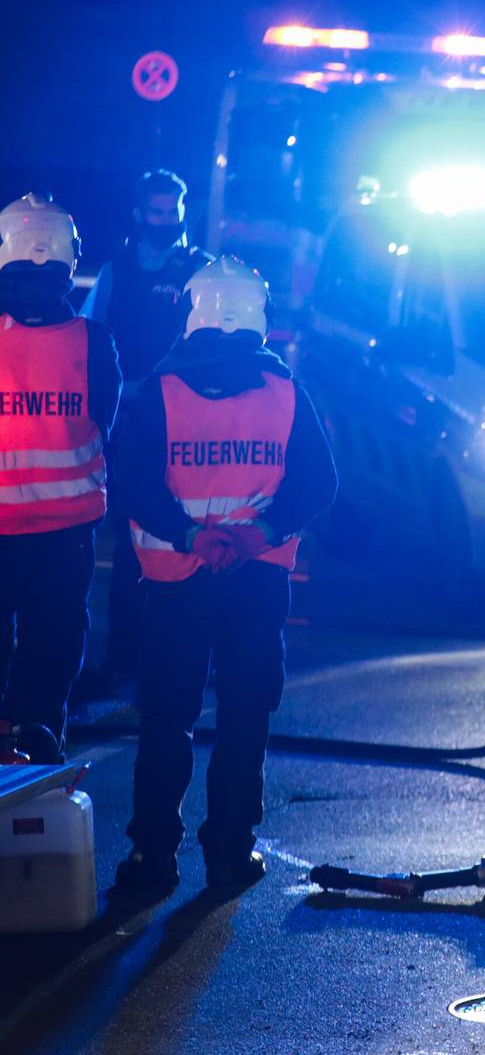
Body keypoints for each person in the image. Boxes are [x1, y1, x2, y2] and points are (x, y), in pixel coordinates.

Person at [110, 257, 336, 898]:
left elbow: (134, 484)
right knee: (244, 716)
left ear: (192, 312)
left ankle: (153, 860)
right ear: (258, 313)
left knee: (166, 719)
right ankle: (231, 857)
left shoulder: (160, 389)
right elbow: (319, 482)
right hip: (257, 580)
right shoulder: (286, 390)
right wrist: (258, 534)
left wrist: (191, 537)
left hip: (177, 578)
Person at [0, 195, 121, 759]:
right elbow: (107, 420)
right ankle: (41, 741)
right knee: (55, 644)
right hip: (65, 529)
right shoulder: (94, 343)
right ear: (70, 262)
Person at [82, 170, 211, 685]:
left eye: (171, 212)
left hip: (186, 427)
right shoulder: (117, 271)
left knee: (181, 540)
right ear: (139, 214)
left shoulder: (202, 271)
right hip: (129, 425)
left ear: (183, 212)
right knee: (131, 541)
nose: (164, 221)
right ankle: (121, 660)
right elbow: (90, 337)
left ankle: (181, 658)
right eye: (155, 212)